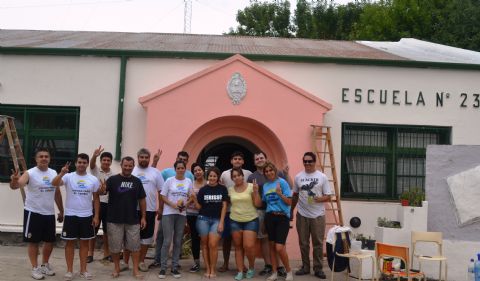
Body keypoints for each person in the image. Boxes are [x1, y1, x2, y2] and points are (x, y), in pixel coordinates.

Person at [9, 148, 64, 280]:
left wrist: (61, 211)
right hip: (33, 212)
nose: (44, 158)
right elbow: (17, 185)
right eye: (41, 156)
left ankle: (45, 265)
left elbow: (57, 193)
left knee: (49, 241)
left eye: (46, 156)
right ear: (36, 159)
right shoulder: (30, 173)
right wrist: (15, 180)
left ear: (49, 159)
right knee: (33, 242)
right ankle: (35, 268)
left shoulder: (53, 172)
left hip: (49, 213)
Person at [52, 153, 100, 280]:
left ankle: (83, 270)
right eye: (79, 162)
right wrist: (62, 173)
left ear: (87, 164)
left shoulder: (93, 179)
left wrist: (96, 216)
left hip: (87, 215)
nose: (82, 165)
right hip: (71, 215)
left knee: (85, 244)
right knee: (70, 244)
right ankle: (69, 271)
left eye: (84, 162)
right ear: (75, 163)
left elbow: (96, 199)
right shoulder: (68, 177)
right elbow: (54, 183)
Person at [247, 151, 290, 277]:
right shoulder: (252, 177)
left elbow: (290, 190)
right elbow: (256, 198)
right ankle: (269, 266)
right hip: (263, 212)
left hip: (280, 212)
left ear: (266, 159)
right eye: (257, 158)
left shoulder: (280, 175)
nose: (259, 160)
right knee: (266, 240)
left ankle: (281, 266)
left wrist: (287, 175)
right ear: (254, 162)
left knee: (279, 243)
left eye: (261, 157)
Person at [104, 156, 146, 279]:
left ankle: (135, 270)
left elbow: (142, 200)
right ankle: (117, 268)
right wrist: (101, 189)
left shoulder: (137, 181)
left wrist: (143, 217)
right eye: (125, 165)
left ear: (133, 166)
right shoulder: (112, 180)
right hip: (114, 219)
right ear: (121, 165)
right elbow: (102, 192)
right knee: (115, 247)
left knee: (135, 246)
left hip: (132, 219)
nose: (127, 168)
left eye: (130, 166)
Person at [292, 152, 332, 279]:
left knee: (318, 243)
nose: (307, 163)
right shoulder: (298, 177)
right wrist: (290, 211)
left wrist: (318, 199)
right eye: (305, 161)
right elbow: (295, 195)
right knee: (303, 243)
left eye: (310, 161)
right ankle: (305, 267)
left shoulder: (322, 177)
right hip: (302, 215)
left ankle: (318, 268)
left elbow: (328, 196)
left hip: (318, 215)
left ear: (315, 162)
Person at [123, 148, 164, 272]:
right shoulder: (132, 170)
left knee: (146, 238)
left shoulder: (156, 172)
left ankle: (141, 262)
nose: (144, 159)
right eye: (142, 157)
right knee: (128, 237)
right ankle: (125, 262)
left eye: (146, 157)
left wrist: (160, 208)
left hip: (150, 210)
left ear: (149, 158)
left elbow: (161, 191)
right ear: (138, 157)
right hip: (131, 209)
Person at [255, 162, 293, 281]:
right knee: (272, 246)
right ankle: (274, 272)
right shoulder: (266, 185)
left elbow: (289, 202)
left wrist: (280, 194)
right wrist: (255, 191)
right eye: (266, 171)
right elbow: (261, 203)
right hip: (270, 217)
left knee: (279, 247)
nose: (269, 173)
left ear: (275, 171)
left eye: (271, 170)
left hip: (282, 218)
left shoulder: (282, 182)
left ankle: (289, 272)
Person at [158, 160, 193, 279]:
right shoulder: (169, 180)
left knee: (178, 241)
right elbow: (163, 196)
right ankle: (163, 268)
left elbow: (191, 197)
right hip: (168, 213)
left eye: (182, 168)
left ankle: (174, 267)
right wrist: (172, 204)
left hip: (181, 214)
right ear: (175, 169)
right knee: (167, 241)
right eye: (178, 168)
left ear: (185, 169)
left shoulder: (188, 181)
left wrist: (186, 205)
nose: (180, 170)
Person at [192, 167, 228, 278]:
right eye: (210, 176)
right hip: (203, 219)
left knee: (213, 244)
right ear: (208, 177)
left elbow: (224, 206)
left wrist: (222, 222)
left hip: (217, 220)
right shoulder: (203, 190)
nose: (212, 178)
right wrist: (194, 199)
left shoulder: (222, 189)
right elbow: (199, 207)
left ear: (218, 177)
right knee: (204, 244)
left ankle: (213, 268)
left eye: (214, 176)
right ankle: (207, 268)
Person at [219, 151, 252, 273]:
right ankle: (225, 263)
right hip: (227, 211)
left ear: (243, 161)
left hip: (243, 212)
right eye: (235, 159)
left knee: (242, 241)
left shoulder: (249, 174)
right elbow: (221, 190)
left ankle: (242, 265)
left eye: (239, 159)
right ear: (231, 161)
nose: (237, 161)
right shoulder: (224, 174)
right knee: (227, 239)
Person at [229, 167, 261, 280]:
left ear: (243, 176)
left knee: (249, 246)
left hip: (251, 220)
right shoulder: (230, 190)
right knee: (238, 247)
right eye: (234, 176)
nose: (236, 177)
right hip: (235, 220)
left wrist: (256, 192)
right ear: (232, 179)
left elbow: (258, 204)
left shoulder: (252, 187)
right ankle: (240, 271)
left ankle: (251, 268)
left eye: (238, 175)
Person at [88, 145, 115, 264]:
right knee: (93, 229)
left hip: (109, 205)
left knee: (107, 231)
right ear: (101, 161)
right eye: (104, 160)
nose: (106, 162)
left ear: (111, 162)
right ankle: (90, 254)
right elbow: (92, 164)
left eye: (108, 160)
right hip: (95, 204)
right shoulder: (95, 170)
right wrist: (94, 155)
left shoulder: (114, 176)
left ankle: (107, 253)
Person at [186, 162, 205, 273]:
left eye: (199, 170)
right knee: (195, 239)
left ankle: (208, 262)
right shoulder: (190, 184)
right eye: (195, 171)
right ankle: (196, 263)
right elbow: (187, 200)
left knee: (205, 238)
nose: (197, 172)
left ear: (203, 171)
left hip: (204, 215)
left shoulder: (208, 184)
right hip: (191, 214)